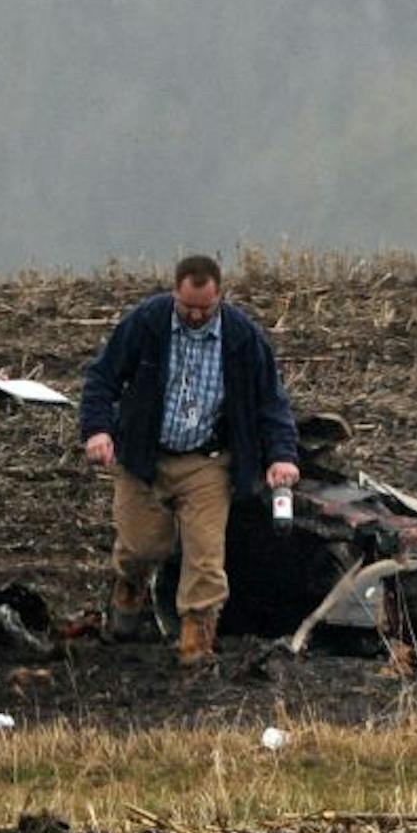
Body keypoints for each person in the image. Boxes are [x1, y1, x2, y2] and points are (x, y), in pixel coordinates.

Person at [79, 254, 300, 667]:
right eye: (187, 308)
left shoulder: (243, 338)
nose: (196, 315)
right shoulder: (145, 323)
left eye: (205, 308)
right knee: (142, 546)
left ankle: (197, 639)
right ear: (174, 294)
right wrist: (98, 430)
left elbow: (272, 400)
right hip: (144, 455)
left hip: (207, 461)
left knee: (205, 555)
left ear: (219, 298)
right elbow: (102, 378)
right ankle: (129, 586)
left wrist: (282, 455)